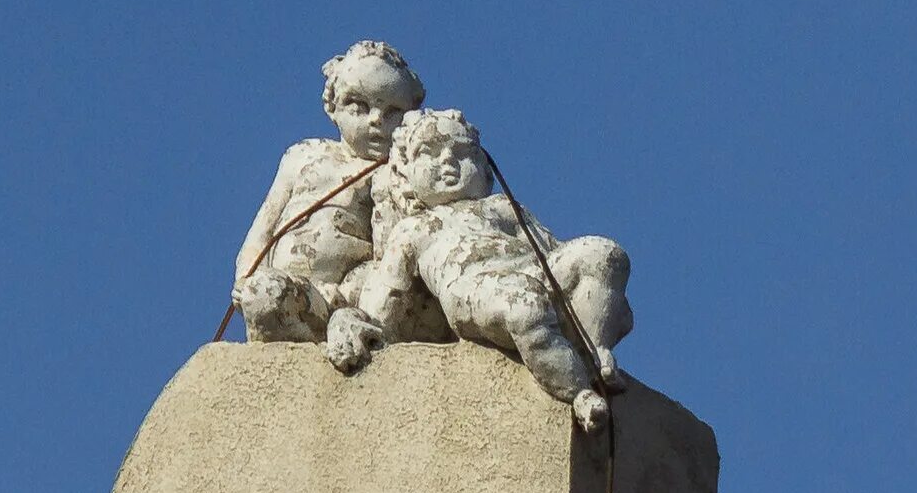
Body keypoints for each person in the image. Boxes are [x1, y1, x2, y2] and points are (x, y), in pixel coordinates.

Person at [353, 108, 633, 429]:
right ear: (405, 174)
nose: (448, 161)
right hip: (475, 287)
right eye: (429, 152)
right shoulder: (415, 229)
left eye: (462, 152)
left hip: (534, 273)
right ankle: (579, 392)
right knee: (525, 306)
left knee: (601, 252)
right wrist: (361, 323)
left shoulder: (503, 207)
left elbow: (556, 253)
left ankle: (595, 351)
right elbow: (384, 299)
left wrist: (599, 295)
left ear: (484, 168)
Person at [231, 41, 425, 369]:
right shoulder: (303, 156)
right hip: (290, 288)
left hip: (344, 295)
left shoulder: (397, 173)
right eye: (359, 107)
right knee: (261, 294)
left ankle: (340, 335)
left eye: (393, 112)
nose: (377, 121)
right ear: (332, 107)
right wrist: (246, 272)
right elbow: (266, 222)